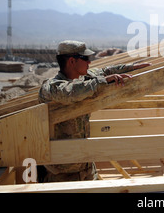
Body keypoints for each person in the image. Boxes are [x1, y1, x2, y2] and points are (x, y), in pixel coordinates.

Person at [38, 40, 151, 182]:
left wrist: (132, 67)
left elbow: (105, 71)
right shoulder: (51, 87)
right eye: (85, 58)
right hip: (63, 174)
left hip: (87, 167)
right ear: (72, 61)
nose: (89, 62)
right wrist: (101, 82)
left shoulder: (85, 78)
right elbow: (70, 92)